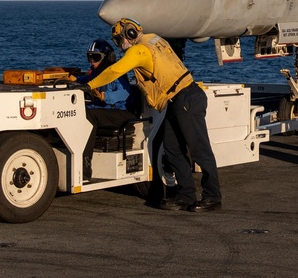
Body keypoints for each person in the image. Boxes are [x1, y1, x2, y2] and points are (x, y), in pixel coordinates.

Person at [88, 17, 222, 213]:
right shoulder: (154, 39)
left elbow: (115, 70)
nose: (119, 45)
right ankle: (186, 195)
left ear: (129, 34)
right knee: (172, 148)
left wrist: (90, 85)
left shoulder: (139, 50)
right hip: (177, 100)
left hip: (185, 99)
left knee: (199, 150)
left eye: (119, 40)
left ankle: (213, 196)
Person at [78, 38, 140, 181]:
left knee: (89, 115)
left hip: (122, 113)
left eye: (95, 57)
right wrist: (71, 80)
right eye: (90, 57)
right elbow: (84, 80)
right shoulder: (95, 73)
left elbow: (125, 93)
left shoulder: (115, 72)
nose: (92, 61)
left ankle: (85, 163)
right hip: (105, 111)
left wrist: (105, 96)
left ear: (106, 58)